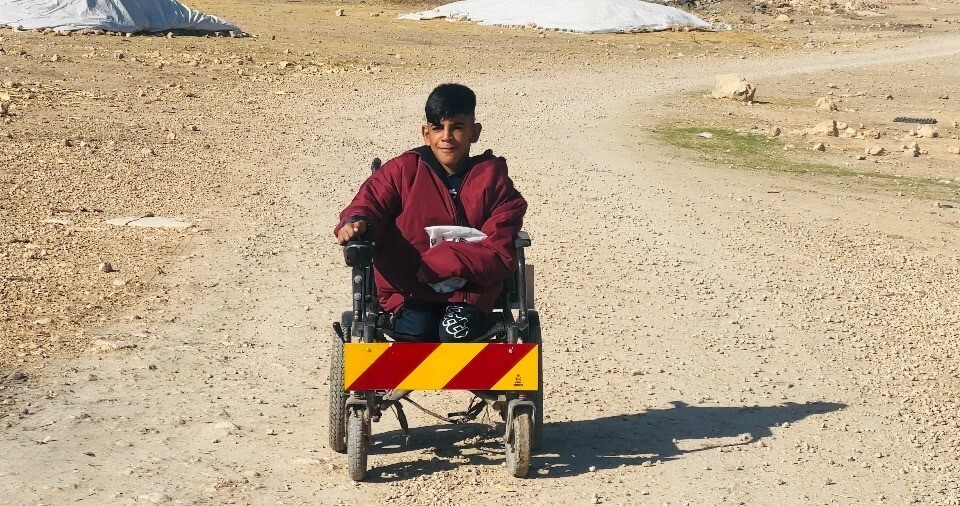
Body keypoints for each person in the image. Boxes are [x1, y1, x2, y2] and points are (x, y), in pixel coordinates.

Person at [334, 83, 527, 342]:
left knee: (453, 333)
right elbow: (370, 203)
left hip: (471, 292)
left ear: (475, 132)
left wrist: (444, 260)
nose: (446, 136)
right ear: (426, 134)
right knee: (417, 331)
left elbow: (500, 251)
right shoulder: (402, 171)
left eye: (457, 127)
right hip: (410, 290)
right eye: (437, 128)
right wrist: (356, 222)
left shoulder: (495, 182)